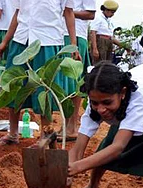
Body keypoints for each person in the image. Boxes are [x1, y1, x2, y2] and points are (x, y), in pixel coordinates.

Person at [0, 0, 78, 146]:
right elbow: (18, 13)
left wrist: (73, 45)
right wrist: (5, 41)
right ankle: (13, 134)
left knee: (44, 89)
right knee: (13, 84)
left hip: (48, 40)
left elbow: (69, 13)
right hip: (21, 39)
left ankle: (45, 136)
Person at [60, 0, 96, 142]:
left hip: (75, 36)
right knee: (65, 82)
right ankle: (66, 125)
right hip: (59, 34)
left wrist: (67, 12)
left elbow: (90, 14)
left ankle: (72, 127)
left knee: (74, 80)